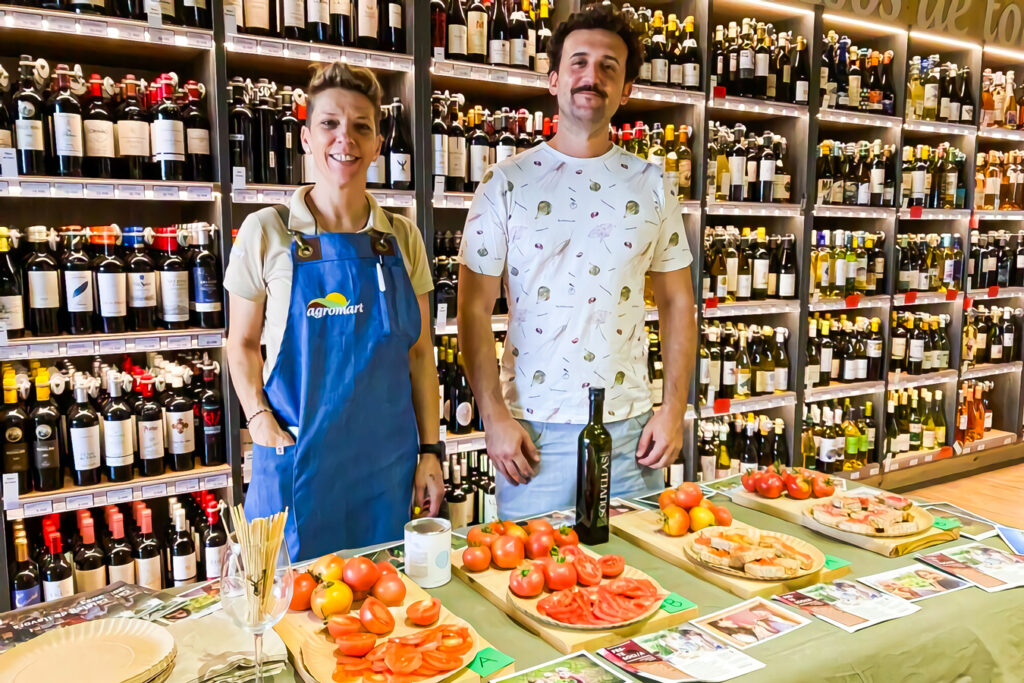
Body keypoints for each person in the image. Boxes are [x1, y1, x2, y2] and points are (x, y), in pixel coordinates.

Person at [457, 4, 697, 519]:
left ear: (627, 89)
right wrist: (493, 417)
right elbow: (472, 311)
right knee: (529, 586)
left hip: (631, 432)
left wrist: (674, 409)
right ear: (553, 79)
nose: (592, 76)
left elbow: (679, 302)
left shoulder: (652, 184)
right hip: (530, 435)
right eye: (579, 62)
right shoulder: (505, 183)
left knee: (634, 585)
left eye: (610, 66)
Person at [225, 62, 444, 561]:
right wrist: (258, 418)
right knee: (291, 616)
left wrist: (430, 452)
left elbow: (420, 354)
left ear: (378, 144)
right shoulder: (268, 231)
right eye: (329, 123)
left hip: (384, 472)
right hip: (298, 464)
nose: (344, 138)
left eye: (361, 126)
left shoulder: (402, 239)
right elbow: (239, 344)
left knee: (381, 612)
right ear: (305, 137)